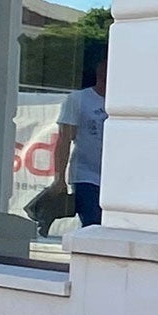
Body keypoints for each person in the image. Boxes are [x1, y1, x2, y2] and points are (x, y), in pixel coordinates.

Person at [56, 54, 106, 227]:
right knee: (93, 224)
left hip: (115, 178)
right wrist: (59, 178)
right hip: (86, 176)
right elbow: (64, 140)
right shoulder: (78, 99)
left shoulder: (125, 102)